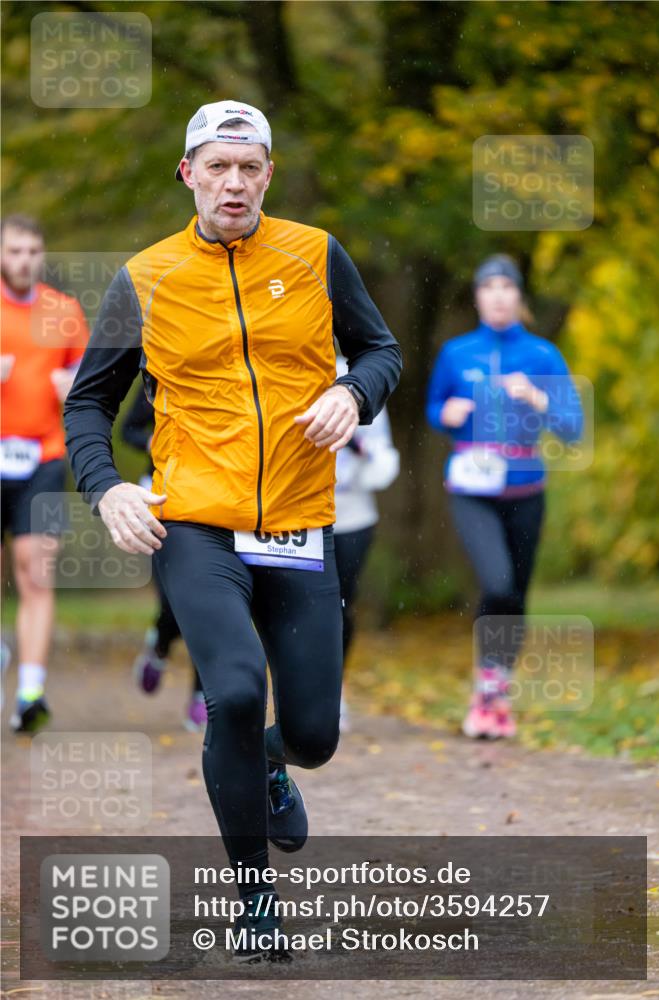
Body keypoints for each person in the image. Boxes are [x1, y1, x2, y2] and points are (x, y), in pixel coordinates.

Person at [64, 100, 401, 961]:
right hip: (195, 524)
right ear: (189, 174)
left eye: (249, 167)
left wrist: (352, 392)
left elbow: (381, 351)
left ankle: (273, 764)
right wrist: (106, 489)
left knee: (315, 735)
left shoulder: (315, 254)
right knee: (238, 693)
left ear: (268, 175)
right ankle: (254, 901)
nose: (234, 183)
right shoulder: (144, 277)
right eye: (217, 166)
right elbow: (89, 402)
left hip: (299, 521)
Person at [426, 254, 582, 740]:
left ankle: (495, 694)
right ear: (477, 297)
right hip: (472, 487)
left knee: (515, 592)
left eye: (506, 287)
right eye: (488, 287)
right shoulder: (456, 353)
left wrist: (537, 397)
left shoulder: (542, 356)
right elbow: (434, 406)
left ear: (519, 297)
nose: (497, 296)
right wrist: (445, 413)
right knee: (496, 582)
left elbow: (573, 427)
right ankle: (488, 691)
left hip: (526, 487)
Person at [1, 214, 88, 733]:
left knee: (36, 573)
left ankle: (30, 694)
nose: (24, 261)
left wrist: (73, 387)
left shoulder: (64, 311)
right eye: (14, 251)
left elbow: (89, 381)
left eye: (32, 251)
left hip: (43, 458)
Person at [121, 383, 207, 731]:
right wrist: (151, 442)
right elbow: (127, 430)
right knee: (174, 599)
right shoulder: (157, 383)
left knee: (209, 600)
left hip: (210, 495)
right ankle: (159, 646)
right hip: (160, 498)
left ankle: (202, 695)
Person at [333, 355, 400, 731]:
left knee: (341, 604)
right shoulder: (278, 365)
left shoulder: (359, 374)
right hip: (295, 515)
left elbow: (382, 462)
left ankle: (334, 689)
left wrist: (358, 445)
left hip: (352, 512)